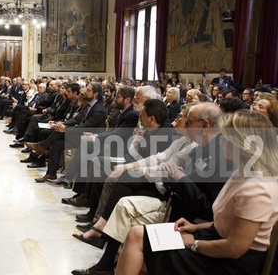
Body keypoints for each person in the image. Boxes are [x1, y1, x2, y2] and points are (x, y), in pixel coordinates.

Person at [115, 110, 278, 275]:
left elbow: (235, 248)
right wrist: (196, 227)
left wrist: (193, 244)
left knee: (138, 242)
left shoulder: (258, 188)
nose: (221, 142)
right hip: (215, 239)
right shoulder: (241, 173)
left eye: (227, 137)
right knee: (137, 236)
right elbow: (228, 224)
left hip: (230, 262)